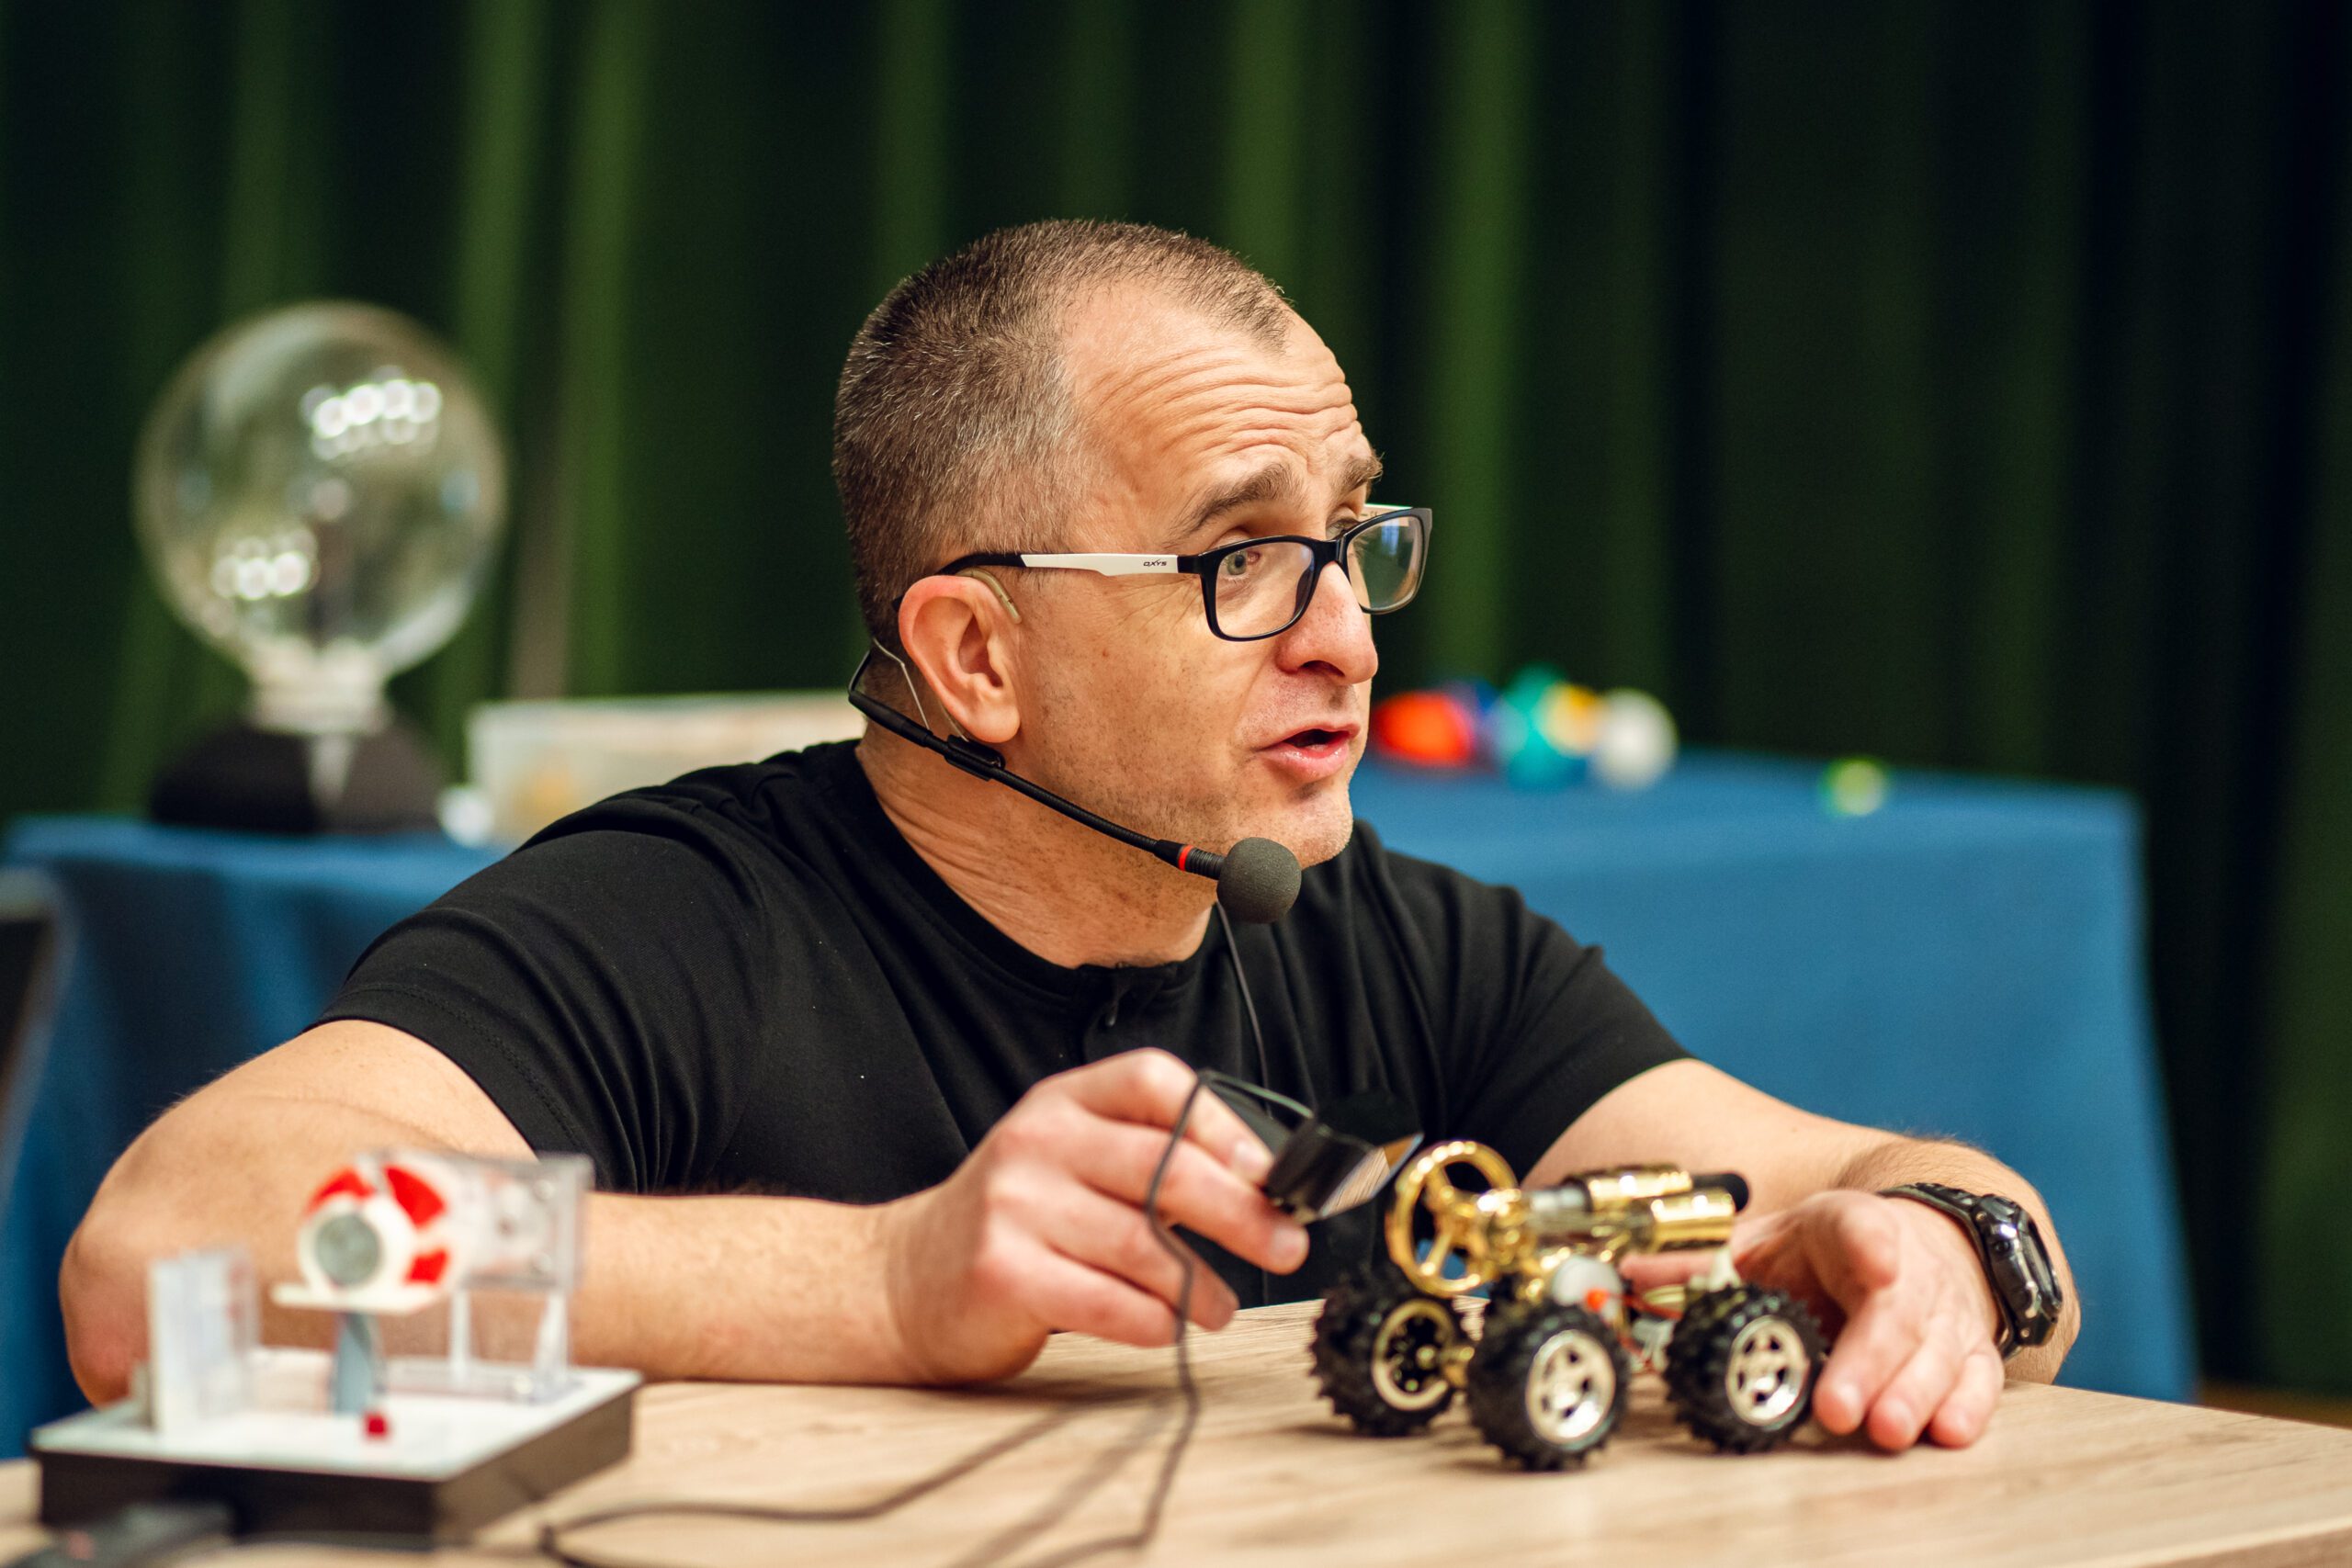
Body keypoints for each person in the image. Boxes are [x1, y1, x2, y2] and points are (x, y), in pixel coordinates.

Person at [62, 220, 2075, 1452]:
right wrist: (882, 1284)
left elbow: (1921, 1201)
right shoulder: (668, 921)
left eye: (1353, 536)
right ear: (976, 654)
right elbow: (161, 1260)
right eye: (1239, 559)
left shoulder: (1397, 939)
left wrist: (1938, 1249)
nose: (1349, 636)